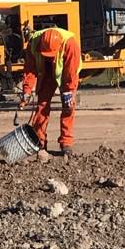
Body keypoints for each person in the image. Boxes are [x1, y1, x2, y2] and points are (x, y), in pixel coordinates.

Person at [20, 25, 81, 157]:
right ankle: (39, 141)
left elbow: (71, 72)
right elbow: (30, 69)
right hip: (46, 72)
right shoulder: (33, 43)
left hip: (66, 74)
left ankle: (66, 143)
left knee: (68, 107)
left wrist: (68, 92)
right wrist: (27, 91)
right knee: (42, 105)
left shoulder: (70, 44)